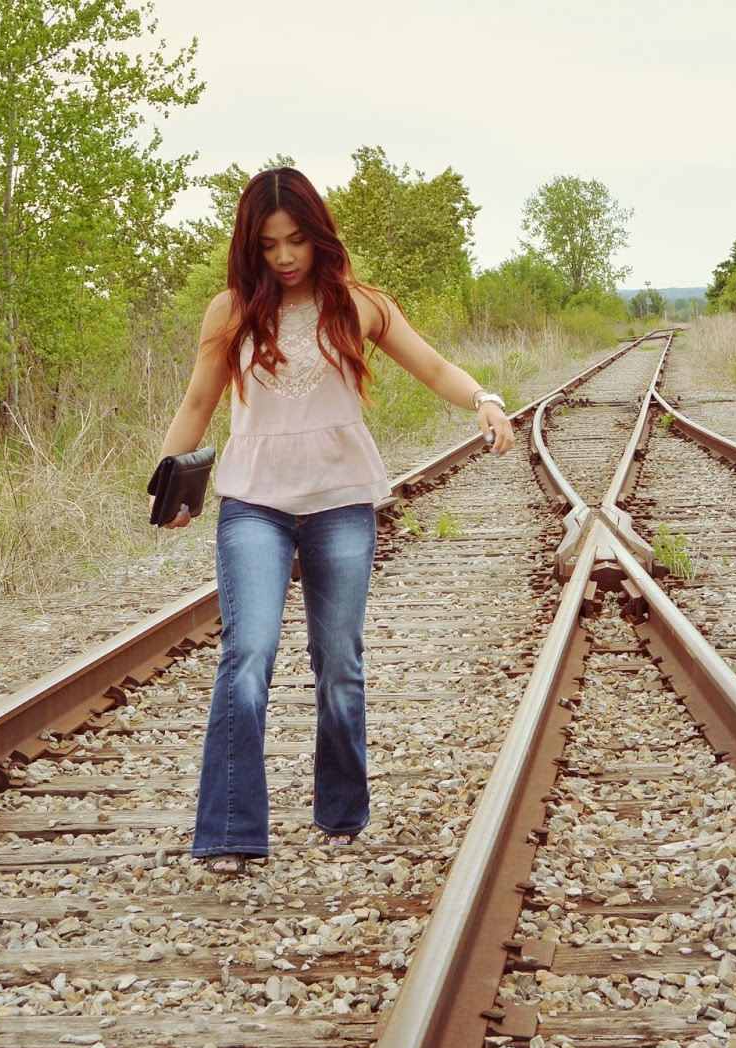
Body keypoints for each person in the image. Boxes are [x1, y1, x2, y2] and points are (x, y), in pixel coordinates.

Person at [154, 167, 514, 876]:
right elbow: (197, 403)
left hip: (340, 501)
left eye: (295, 240)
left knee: (338, 660)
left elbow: (433, 367)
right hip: (253, 502)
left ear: (318, 235)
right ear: (249, 247)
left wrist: (485, 399)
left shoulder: (360, 305)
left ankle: (342, 812)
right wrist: (170, 487)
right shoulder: (229, 311)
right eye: (267, 245)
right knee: (247, 652)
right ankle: (230, 831)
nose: (284, 257)